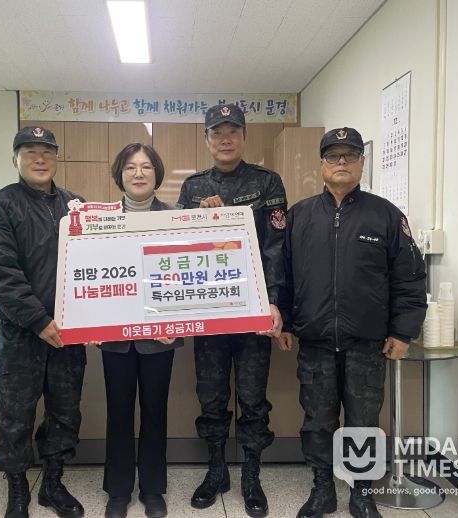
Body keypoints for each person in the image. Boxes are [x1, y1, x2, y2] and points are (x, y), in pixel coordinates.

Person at [277, 127, 427, 518]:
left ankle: (362, 493)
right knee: (317, 421)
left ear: (362, 162)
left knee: (363, 421)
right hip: (316, 342)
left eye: (350, 155)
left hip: (367, 343)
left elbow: (410, 277)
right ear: (321, 164)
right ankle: (322, 489)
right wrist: (285, 322)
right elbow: (283, 276)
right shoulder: (300, 216)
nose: (341, 161)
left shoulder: (386, 215)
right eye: (333, 155)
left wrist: (403, 330)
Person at [176, 103, 287, 518]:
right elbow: (180, 248)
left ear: (243, 136)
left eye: (232, 131)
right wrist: (201, 220)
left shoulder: (267, 181)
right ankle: (217, 469)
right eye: (216, 132)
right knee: (211, 395)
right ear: (206, 139)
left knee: (253, 398)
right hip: (210, 310)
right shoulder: (193, 188)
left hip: (253, 310)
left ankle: (251, 476)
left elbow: (276, 247)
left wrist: (273, 301)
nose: (225, 139)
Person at [0, 126, 87, 518]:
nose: (40, 159)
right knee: (17, 413)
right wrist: (39, 320)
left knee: (65, 411)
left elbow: (96, 263)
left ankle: (53, 483)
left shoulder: (76, 206)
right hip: (22, 332)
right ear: (15, 160)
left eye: (47, 152)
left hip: (68, 334)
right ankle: (18, 488)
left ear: (57, 158)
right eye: (30, 152)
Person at [99, 143, 184, 518]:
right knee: (118, 413)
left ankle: (152, 489)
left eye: (146, 166)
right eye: (131, 167)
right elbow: (88, 275)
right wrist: (90, 321)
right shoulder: (100, 220)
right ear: (120, 174)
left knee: (155, 412)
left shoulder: (174, 218)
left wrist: (177, 324)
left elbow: (185, 277)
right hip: (115, 338)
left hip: (159, 338)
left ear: (157, 174)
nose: (138, 173)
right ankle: (118, 491)